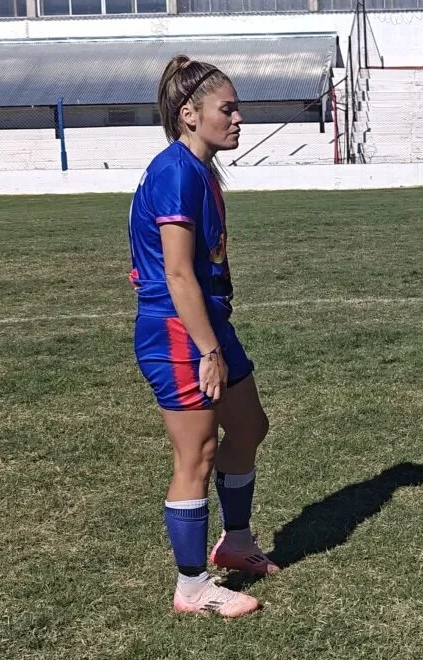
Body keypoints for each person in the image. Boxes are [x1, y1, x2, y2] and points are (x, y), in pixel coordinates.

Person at [129, 55, 278, 617]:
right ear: (188, 114)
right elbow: (176, 272)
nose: (239, 118)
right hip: (177, 328)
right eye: (228, 109)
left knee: (249, 427)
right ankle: (192, 586)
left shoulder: (200, 170)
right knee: (198, 451)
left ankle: (234, 542)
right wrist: (207, 350)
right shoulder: (175, 170)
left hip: (208, 320)